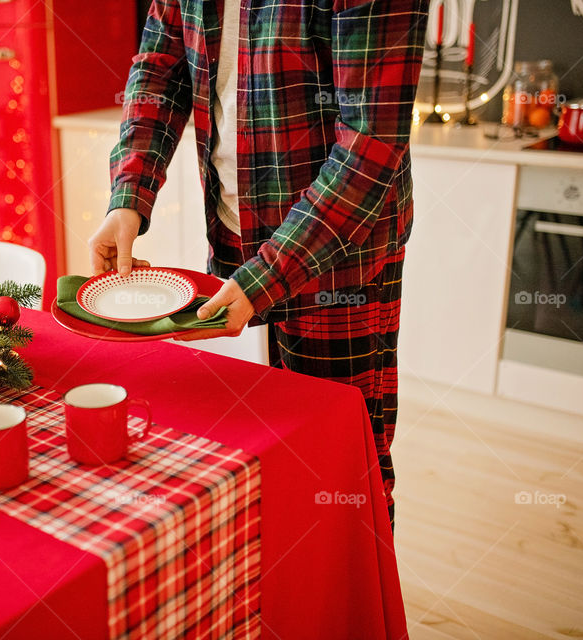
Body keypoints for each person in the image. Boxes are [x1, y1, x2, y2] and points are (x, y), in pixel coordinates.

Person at [88, 0, 429, 527]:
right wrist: (128, 197)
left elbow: (372, 138)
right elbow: (161, 71)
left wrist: (265, 278)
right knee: (286, 459)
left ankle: (356, 606)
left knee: (344, 473)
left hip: (342, 258)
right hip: (244, 238)